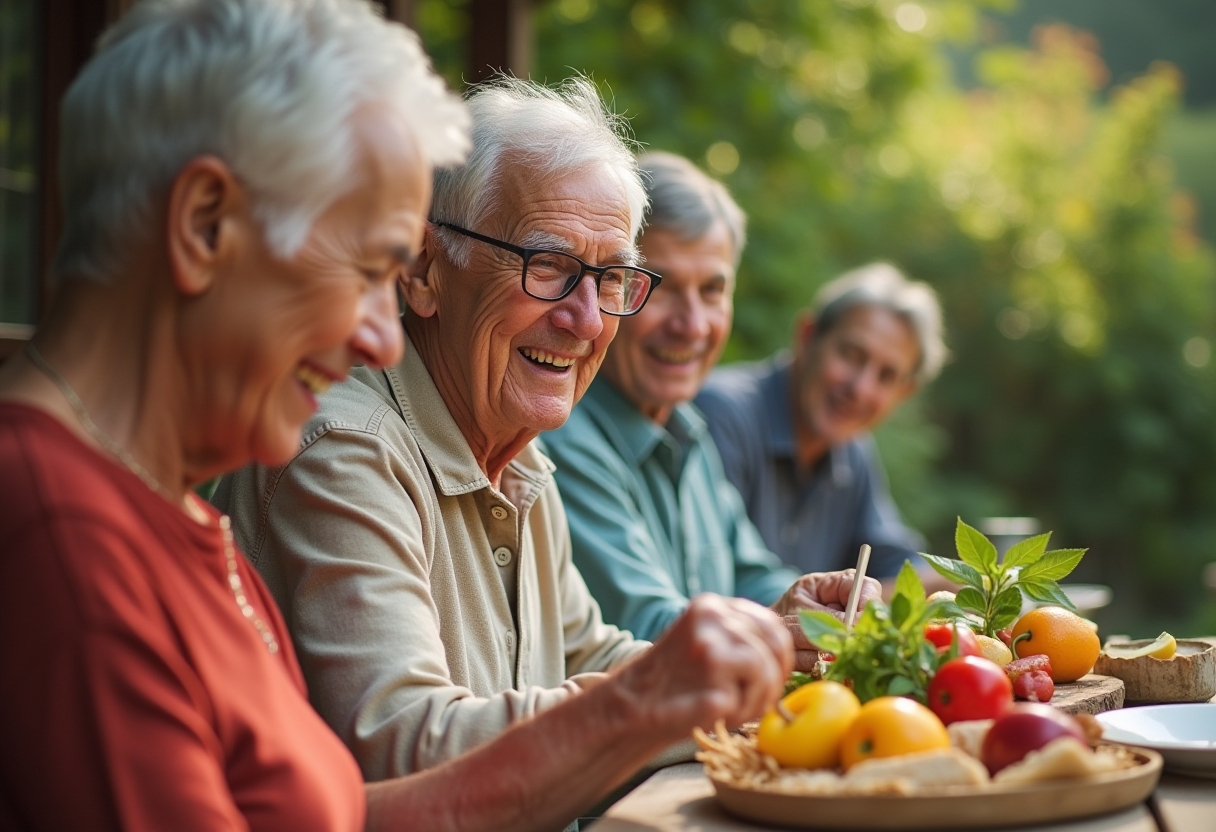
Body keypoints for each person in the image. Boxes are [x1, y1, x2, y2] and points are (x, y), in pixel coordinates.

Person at [0, 3, 792, 831]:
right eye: (366, 265)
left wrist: (728, 679)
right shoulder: (63, 531)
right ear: (205, 224)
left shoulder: (172, 527)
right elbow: (395, 751)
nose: (384, 337)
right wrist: (637, 707)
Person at [543, 151, 881, 648]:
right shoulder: (560, 435)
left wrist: (809, 598)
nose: (693, 325)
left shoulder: (688, 430)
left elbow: (751, 577)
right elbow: (648, 627)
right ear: (610, 289)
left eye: (712, 290)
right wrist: (779, 625)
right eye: (662, 287)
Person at [696, 261, 950, 595]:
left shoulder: (853, 451)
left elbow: (892, 561)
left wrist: (962, 583)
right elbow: (720, 583)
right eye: (851, 355)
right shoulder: (721, 414)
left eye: (886, 376)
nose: (860, 388)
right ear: (807, 337)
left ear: (904, 393)